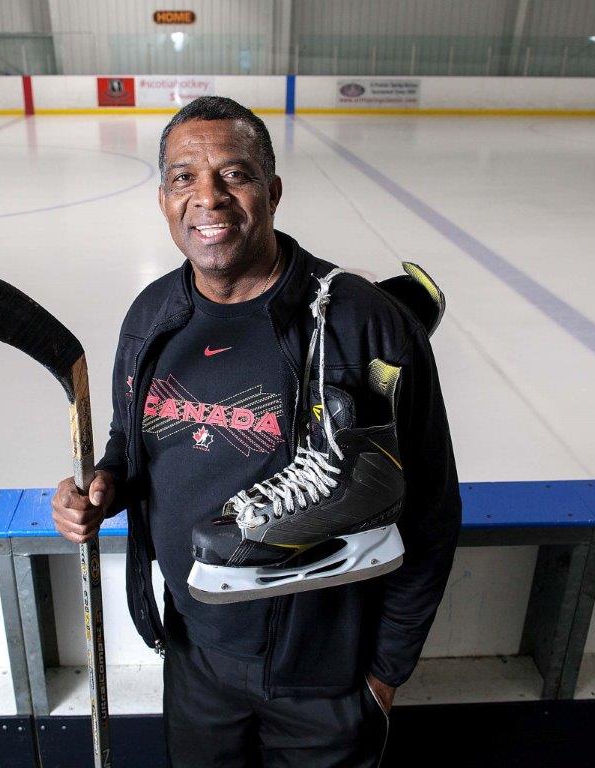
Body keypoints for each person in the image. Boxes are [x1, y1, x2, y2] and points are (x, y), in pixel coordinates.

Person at [51, 96, 462, 767]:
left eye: (233, 175)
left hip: (324, 673)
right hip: (195, 651)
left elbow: (431, 508)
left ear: (271, 191)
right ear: (162, 199)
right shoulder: (153, 314)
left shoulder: (364, 323)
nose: (207, 198)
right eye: (184, 178)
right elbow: (133, 443)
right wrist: (103, 487)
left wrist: (384, 675)